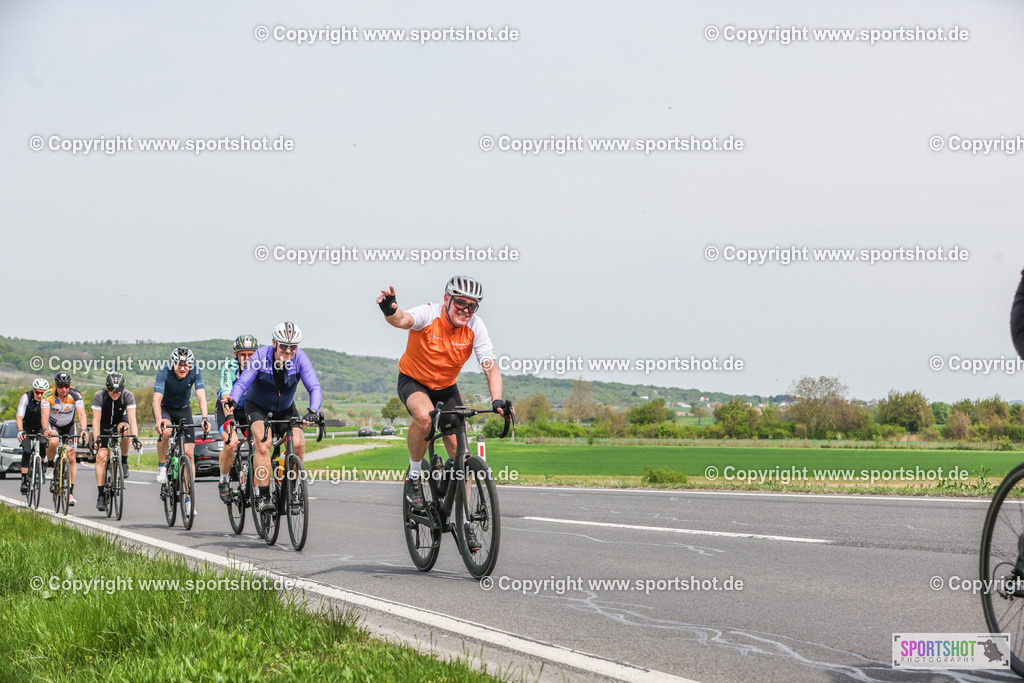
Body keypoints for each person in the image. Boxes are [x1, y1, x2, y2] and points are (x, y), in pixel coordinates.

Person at [376, 275, 503, 551]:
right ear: (447, 299)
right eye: (460, 303)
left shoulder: (475, 327)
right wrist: (390, 310)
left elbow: (490, 366)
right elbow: (404, 320)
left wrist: (497, 400)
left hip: (446, 388)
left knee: (461, 452)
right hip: (414, 381)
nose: (465, 311)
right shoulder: (429, 313)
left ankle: (467, 522)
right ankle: (414, 476)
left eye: (472, 306)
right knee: (424, 417)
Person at [226, 322, 322, 514]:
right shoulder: (260, 356)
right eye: (283, 346)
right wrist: (233, 399)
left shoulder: (300, 358)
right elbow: (243, 381)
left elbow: (314, 387)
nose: (288, 350)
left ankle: (293, 489)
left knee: (299, 444)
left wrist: (313, 410)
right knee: (263, 444)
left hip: (286, 409)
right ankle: (263, 496)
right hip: (258, 408)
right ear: (274, 343)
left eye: (293, 346)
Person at [153, 347, 210, 516]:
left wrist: (205, 417)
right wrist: (158, 421)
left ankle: (188, 500)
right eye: (179, 364)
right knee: (166, 432)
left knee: (190, 454)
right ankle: (162, 465)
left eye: (187, 365)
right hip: (166, 410)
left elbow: (201, 396)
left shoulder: (196, 371)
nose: (183, 368)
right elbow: (156, 399)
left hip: (184, 410)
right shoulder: (164, 371)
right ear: (173, 363)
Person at [91, 372, 142, 511]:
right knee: (101, 457)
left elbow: (132, 420)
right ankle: (101, 494)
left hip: (120, 421)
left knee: (126, 432)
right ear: (107, 388)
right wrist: (96, 440)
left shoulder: (127, 395)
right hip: (104, 424)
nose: (115, 394)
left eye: (118, 391)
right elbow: (95, 421)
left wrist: (135, 437)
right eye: (112, 391)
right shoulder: (99, 396)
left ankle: (124, 462)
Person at [217, 334, 258, 503]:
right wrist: (229, 418)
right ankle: (224, 480)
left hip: (249, 409)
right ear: (236, 355)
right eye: (243, 354)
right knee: (231, 443)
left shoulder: (260, 368)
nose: (247, 358)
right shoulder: (229, 367)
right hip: (228, 408)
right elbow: (226, 396)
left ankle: (257, 487)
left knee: (259, 445)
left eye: (250, 354)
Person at [43, 371, 88, 506]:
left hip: (68, 425)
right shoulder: (48, 395)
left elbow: (81, 414)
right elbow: (44, 416)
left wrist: (84, 429)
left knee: (72, 456)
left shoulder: (75, 395)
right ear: (56, 385)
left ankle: (70, 492)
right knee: (54, 441)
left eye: (66, 386)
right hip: (53, 424)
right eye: (61, 386)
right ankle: (50, 466)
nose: (64, 389)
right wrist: (46, 429)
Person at [17, 378, 51, 495]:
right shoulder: (26, 397)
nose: (40, 395)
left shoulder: (48, 400)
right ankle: (23, 481)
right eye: (37, 392)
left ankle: (41, 466)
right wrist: (20, 431)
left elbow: (49, 418)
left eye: (43, 393)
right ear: (33, 390)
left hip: (41, 426)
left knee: (42, 443)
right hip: (26, 426)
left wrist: (48, 430)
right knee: (26, 450)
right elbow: (19, 416)